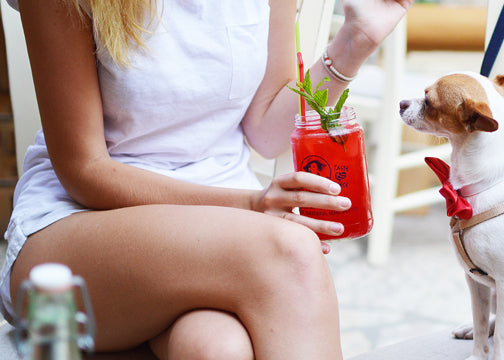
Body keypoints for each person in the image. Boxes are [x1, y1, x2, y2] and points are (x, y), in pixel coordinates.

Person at [2, 0, 412, 359]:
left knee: (216, 349)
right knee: (291, 251)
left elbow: (266, 131)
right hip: (78, 233)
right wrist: (249, 206)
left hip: (219, 248)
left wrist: (352, 44)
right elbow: (84, 171)